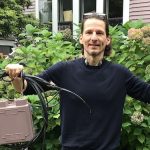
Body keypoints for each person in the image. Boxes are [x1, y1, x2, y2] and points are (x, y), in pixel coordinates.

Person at [5, 13, 150, 150]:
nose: (94, 37)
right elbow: (26, 87)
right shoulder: (63, 70)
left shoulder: (120, 74)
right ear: (81, 38)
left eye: (99, 33)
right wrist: (15, 76)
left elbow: (147, 93)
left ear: (107, 40)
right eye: (89, 32)